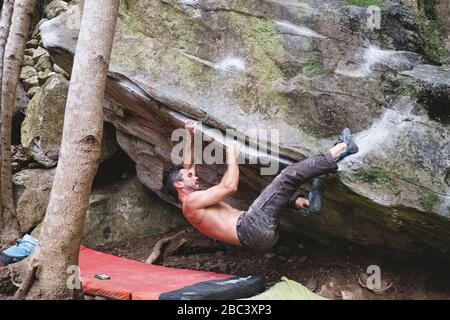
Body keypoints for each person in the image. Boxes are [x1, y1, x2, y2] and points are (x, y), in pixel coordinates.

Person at [163, 120, 359, 250]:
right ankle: (342, 147)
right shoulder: (192, 202)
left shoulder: (188, 203)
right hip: (251, 227)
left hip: (257, 237)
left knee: (271, 190)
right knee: (287, 177)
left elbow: (187, 165)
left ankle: (306, 203)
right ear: (180, 185)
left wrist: (189, 135)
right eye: (190, 176)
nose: (195, 176)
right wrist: (233, 158)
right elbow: (229, 187)